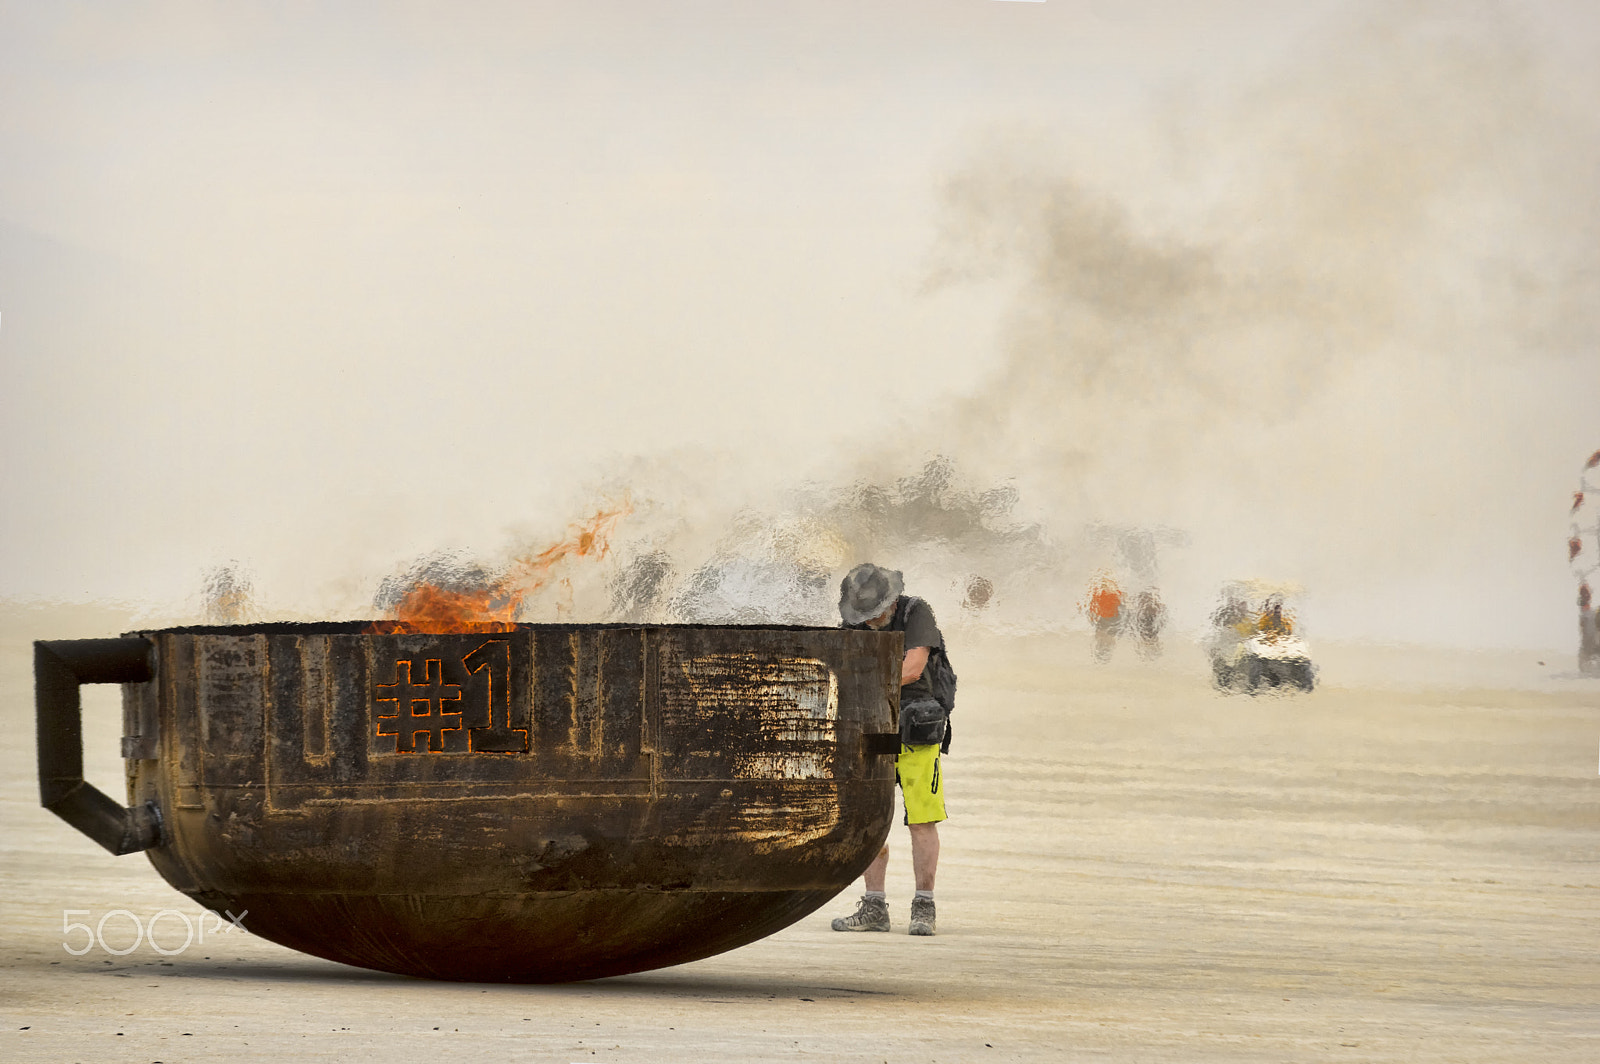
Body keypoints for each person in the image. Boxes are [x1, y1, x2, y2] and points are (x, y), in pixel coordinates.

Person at [830, 563, 947, 937]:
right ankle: (874, 906)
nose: (872, 619)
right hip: (872, 725)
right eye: (864, 613)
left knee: (921, 818)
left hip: (915, 726)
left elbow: (913, 668)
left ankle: (924, 906)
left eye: (876, 610)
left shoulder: (916, 612)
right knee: (870, 815)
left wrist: (863, 678)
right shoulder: (855, 625)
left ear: (891, 599)